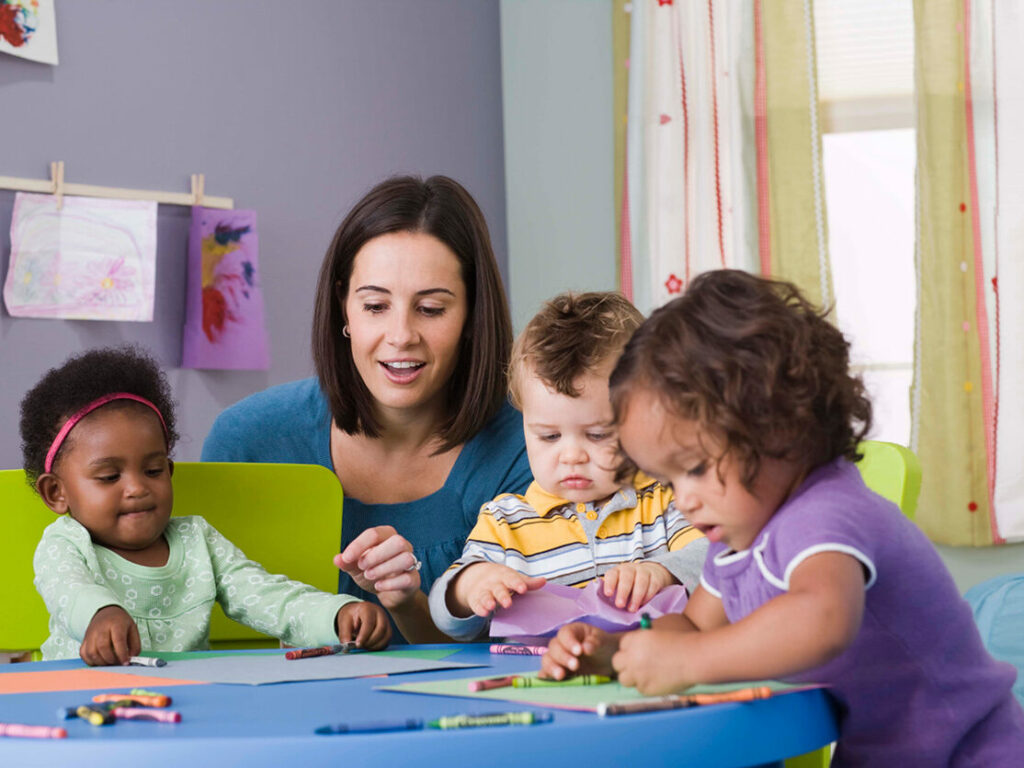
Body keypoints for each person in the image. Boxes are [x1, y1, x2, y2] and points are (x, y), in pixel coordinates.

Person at [541, 270, 1024, 765]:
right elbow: (693, 628)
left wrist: (689, 661)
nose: (683, 499)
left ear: (776, 422)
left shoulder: (827, 510)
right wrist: (610, 652)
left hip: (973, 752)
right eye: (667, 480)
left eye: (697, 468)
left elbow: (824, 617)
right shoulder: (736, 541)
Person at [201, 175, 532, 643]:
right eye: (376, 305)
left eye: (431, 309)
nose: (401, 335)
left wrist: (409, 602)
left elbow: (520, 653)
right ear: (344, 308)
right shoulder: (247, 440)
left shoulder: (531, 449)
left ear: (472, 316)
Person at [23, 346, 391, 665]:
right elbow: (68, 590)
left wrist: (336, 613)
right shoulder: (65, 544)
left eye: (152, 470)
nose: (136, 488)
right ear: (57, 492)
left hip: (184, 701)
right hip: (82, 698)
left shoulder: (197, 540)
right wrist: (99, 614)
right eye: (109, 477)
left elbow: (265, 595)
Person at [429, 292, 707, 641]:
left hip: (643, 677)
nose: (571, 455)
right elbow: (444, 614)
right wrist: (471, 586)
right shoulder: (505, 523)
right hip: (538, 683)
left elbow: (718, 559)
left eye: (597, 434)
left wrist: (663, 571)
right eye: (548, 436)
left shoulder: (663, 498)